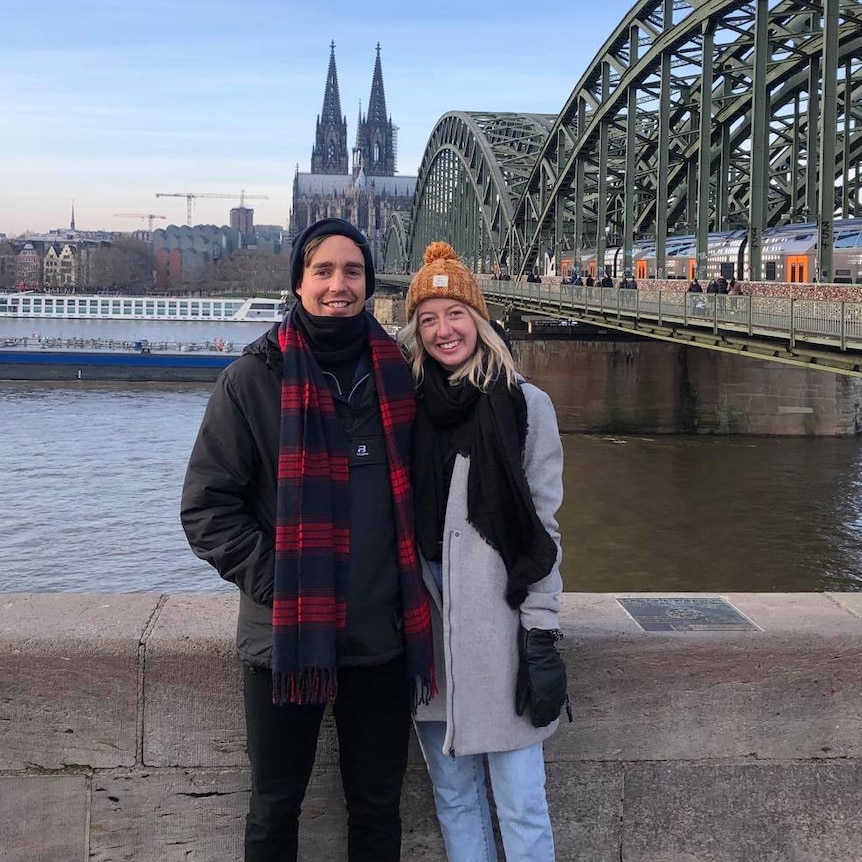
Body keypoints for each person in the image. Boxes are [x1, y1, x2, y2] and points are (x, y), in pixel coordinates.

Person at [180, 217, 435, 862]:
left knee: (378, 809)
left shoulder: (401, 376)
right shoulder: (252, 379)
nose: (337, 286)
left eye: (352, 272)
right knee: (274, 806)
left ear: (370, 285)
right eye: (322, 271)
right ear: (298, 283)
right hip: (284, 638)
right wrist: (280, 583)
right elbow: (207, 508)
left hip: (381, 641)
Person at [398, 241, 569, 862]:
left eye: (455, 313)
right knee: (454, 800)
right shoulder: (406, 408)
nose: (444, 330)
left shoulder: (526, 406)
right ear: (417, 330)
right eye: (428, 318)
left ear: (480, 318)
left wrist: (542, 633)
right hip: (429, 632)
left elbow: (544, 530)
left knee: (523, 804)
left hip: (499, 633)